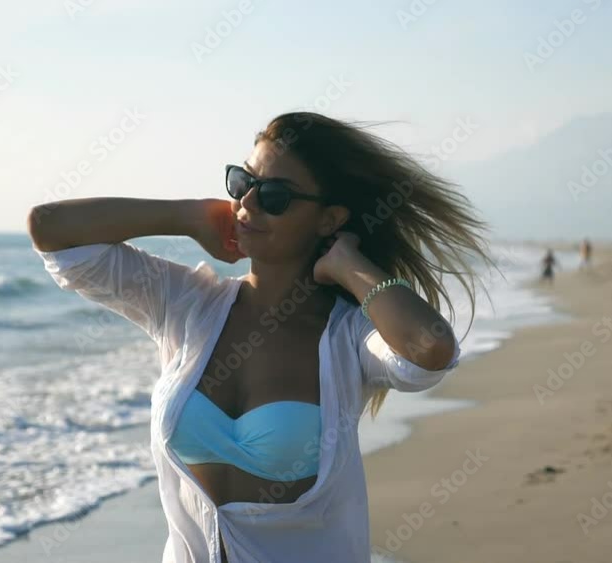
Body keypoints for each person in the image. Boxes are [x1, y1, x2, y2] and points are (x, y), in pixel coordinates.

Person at [27, 112, 495, 563]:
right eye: (241, 183)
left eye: (275, 196)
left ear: (329, 218)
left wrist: (348, 265)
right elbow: (51, 229)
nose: (247, 204)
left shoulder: (347, 340)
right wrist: (188, 216)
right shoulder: (186, 304)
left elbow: (429, 348)